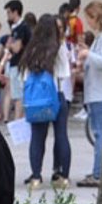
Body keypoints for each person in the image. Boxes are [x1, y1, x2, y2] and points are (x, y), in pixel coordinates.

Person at [22, 14, 73, 190]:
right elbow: (65, 74)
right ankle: (63, 177)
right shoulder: (58, 48)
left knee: (37, 138)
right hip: (56, 96)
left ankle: (36, 177)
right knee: (61, 136)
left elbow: (25, 77)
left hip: (36, 99)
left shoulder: (31, 49)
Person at [77, 1, 102, 187]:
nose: (87, 23)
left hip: (100, 93)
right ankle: (99, 171)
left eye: (88, 18)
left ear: (95, 18)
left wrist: (87, 55)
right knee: (100, 132)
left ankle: (99, 173)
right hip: (96, 92)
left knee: (100, 133)